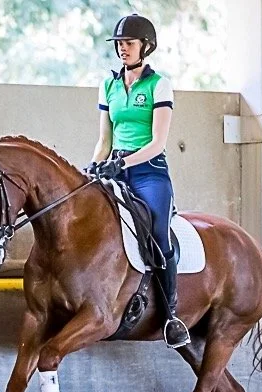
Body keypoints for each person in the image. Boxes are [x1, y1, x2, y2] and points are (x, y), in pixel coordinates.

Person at [86, 13, 190, 348]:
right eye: (119, 44)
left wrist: (124, 162)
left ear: (146, 46)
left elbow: (157, 142)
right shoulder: (109, 85)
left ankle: (172, 315)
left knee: (159, 230)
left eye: (128, 43)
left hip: (149, 172)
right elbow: (105, 139)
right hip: (115, 166)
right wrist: (93, 167)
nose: (122, 49)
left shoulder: (159, 84)